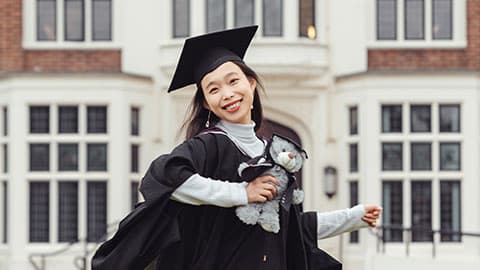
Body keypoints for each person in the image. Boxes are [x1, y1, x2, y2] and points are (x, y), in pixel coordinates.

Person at [91, 25, 381, 270]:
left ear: (251, 83)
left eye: (233, 81)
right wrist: (241, 192)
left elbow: (291, 230)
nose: (227, 94)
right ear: (206, 102)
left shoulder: (273, 154)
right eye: (213, 89)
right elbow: (165, 178)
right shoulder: (210, 144)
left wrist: (353, 218)